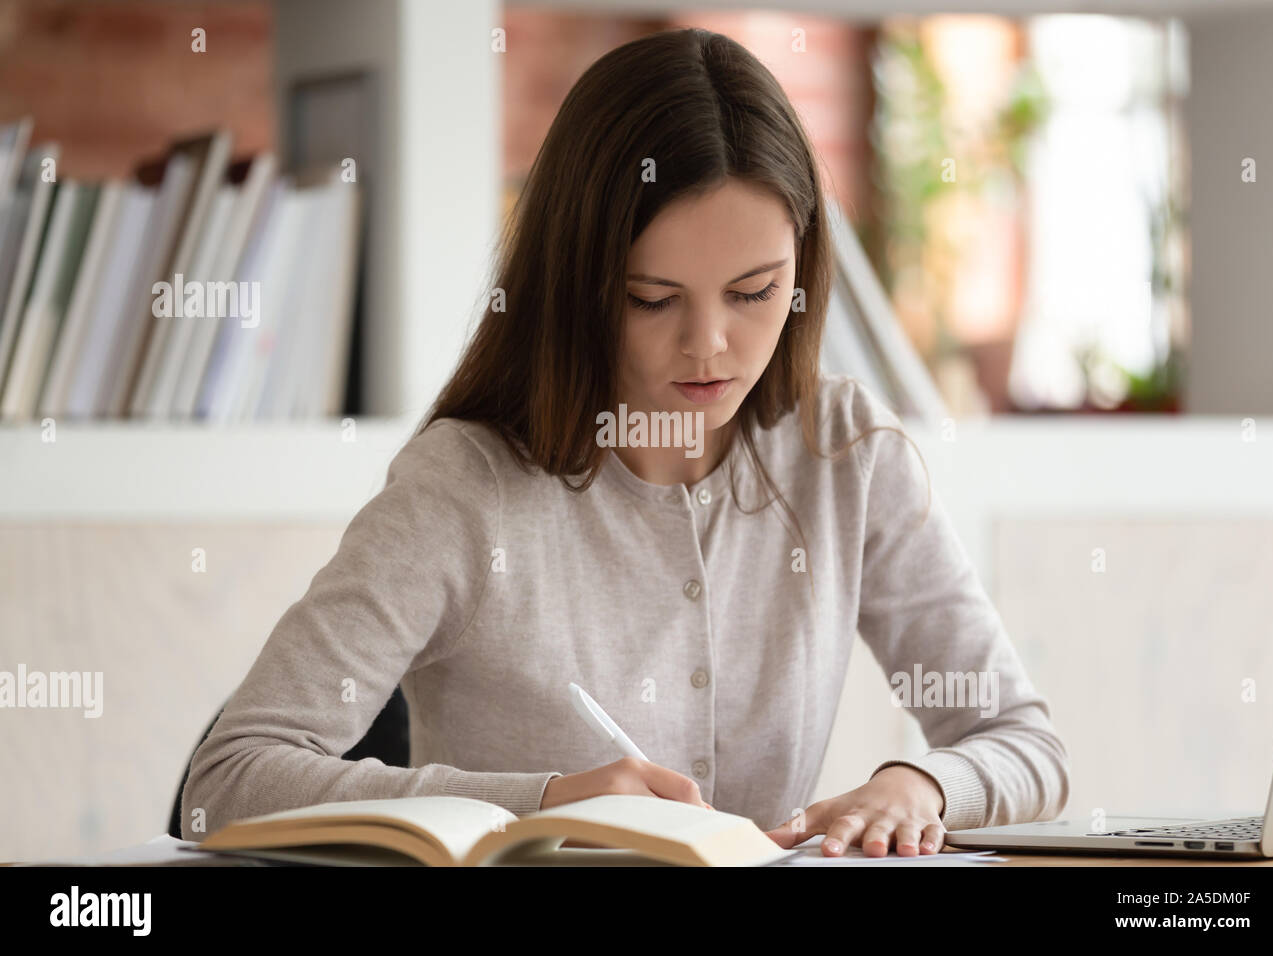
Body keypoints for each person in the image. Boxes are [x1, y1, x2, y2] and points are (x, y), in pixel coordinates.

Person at [182, 26, 1068, 858]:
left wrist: (924, 783)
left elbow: (1026, 743)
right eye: (653, 298)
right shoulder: (464, 487)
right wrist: (545, 802)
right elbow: (225, 781)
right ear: (578, 281)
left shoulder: (846, 452)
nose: (709, 345)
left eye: (755, 291)